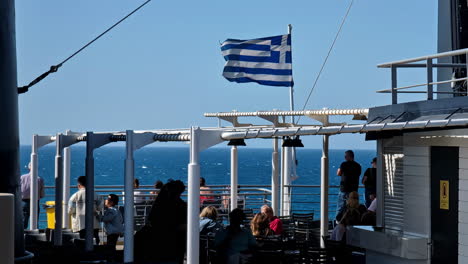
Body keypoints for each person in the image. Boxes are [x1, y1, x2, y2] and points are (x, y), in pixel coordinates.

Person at [135, 180, 187, 264]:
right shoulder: (181, 205)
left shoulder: (158, 204)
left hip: (156, 244)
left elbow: (151, 220)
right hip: (174, 244)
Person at [68, 176, 102, 244]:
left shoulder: (74, 196)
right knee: (94, 242)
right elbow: (100, 208)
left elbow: (70, 210)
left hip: (79, 224)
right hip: (93, 224)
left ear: (79, 185)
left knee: (80, 243)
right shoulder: (96, 195)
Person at [336, 150, 362, 221]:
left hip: (344, 189)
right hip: (354, 191)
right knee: (353, 208)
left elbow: (339, 173)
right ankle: (352, 222)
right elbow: (358, 175)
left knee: (341, 207)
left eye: (346, 156)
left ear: (349, 156)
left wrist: (339, 170)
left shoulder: (344, 164)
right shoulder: (358, 166)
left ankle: (339, 223)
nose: (344, 157)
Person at [20, 162, 45, 229]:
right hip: (35, 202)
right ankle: (35, 236)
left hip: (24, 202)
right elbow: (42, 194)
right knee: (35, 221)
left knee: (23, 221)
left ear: (29, 168)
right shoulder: (40, 179)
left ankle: (22, 236)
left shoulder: (22, 178)